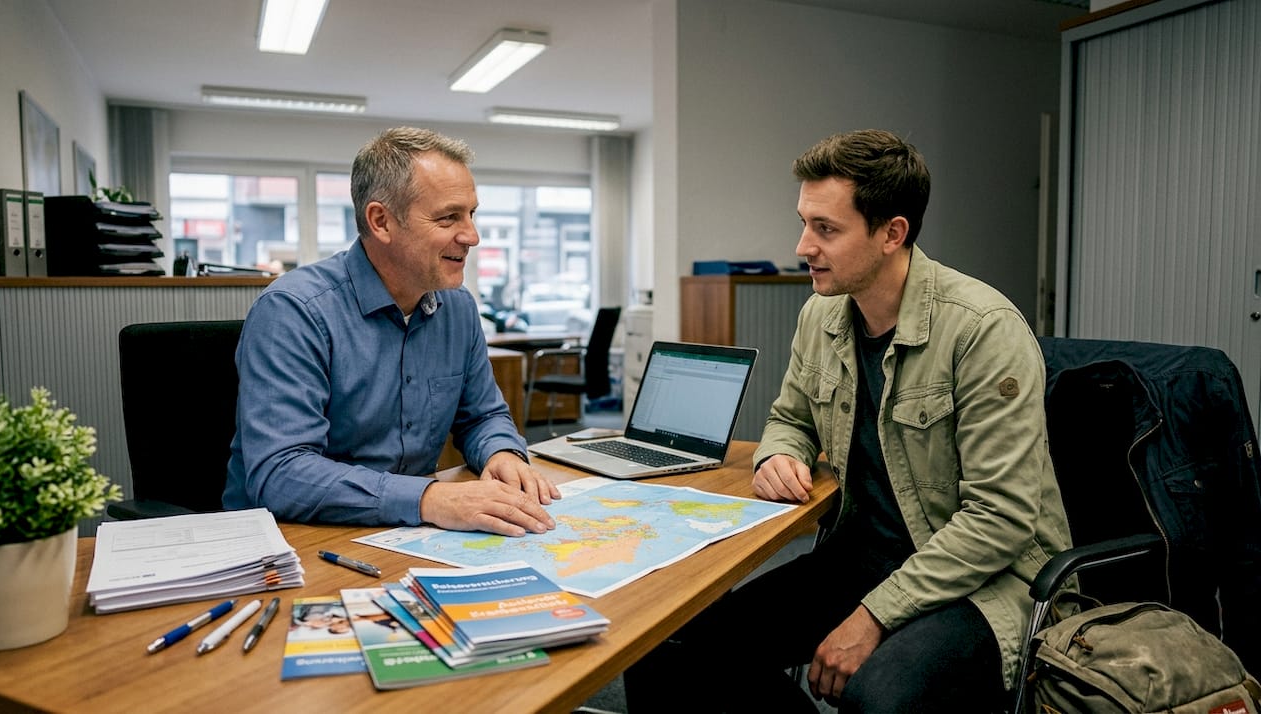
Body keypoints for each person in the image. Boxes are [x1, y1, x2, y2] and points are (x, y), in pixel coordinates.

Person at [624, 129, 1072, 713]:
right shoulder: (822, 314)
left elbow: (1000, 519)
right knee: (669, 645)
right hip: (862, 558)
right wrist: (779, 453)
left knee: (878, 697)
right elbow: (790, 417)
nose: (803, 246)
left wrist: (872, 617)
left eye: (826, 229)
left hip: (983, 580)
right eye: (805, 222)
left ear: (892, 233)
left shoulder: (983, 331)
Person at [223, 126, 560, 536]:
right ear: (381, 221)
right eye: (448, 217)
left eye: (472, 214)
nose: (472, 235)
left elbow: (482, 416)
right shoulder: (294, 312)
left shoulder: (458, 308)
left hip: (403, 533)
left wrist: (502, 452)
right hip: (293, 541)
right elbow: (280, 473)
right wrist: (428, 498)